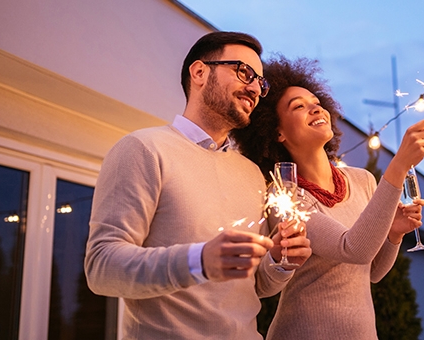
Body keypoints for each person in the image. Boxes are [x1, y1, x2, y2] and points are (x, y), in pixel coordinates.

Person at [84, 32, 311, 339]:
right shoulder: (143, 149)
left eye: (261, 81)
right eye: (245, 72)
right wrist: (198, 261)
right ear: (200, 72)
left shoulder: (252, 173)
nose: (256, 88)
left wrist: (279, 262)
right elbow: (102, 268)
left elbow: (255, 287)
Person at [231, 55, 424, 339]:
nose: (315, 108)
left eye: (316, 102)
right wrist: (399, 164)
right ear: (277, 132)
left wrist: (394, 235)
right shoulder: (284, 195)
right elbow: (352, 248)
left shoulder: (362, 180)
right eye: (299, 106)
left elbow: (372, 271)